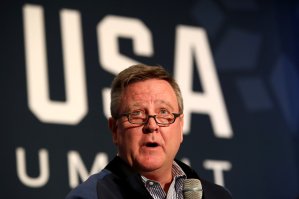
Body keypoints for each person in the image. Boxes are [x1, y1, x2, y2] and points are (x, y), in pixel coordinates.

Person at [66, 64, 232, 199]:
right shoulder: (91, 196)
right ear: (115, 130)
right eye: (137, 114)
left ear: (180, 126)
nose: (152, 125)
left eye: (164, 112)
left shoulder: (217, 196)